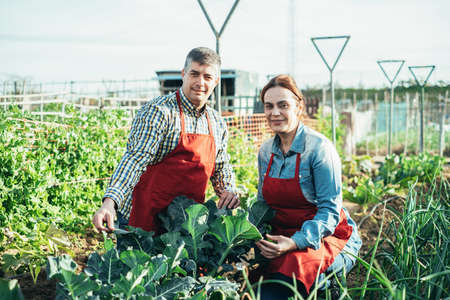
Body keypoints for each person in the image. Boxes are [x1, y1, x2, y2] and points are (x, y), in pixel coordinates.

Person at [93, 47, 239, 235]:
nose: (200, 82)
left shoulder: (217, 123)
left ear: (216, 82)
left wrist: (228, 191)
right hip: (145, 220)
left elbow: (221, 167)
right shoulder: (159, 112)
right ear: (183, 74)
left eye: (207, 77)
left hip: (186, 225)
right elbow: (134, 160)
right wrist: (109, 202)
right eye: (194, 74)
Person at [254, 75, 361, 299]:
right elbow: (262, 205)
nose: (275, 113)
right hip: (282, 237)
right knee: (250, 275)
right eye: (269, 106)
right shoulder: (266, 152)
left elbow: (330, 212)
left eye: (283, 105)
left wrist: (294, 242)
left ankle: (329, 279)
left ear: (299, 107)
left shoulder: (319, 149)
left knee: (282, 284)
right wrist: (250, 236)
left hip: (326, 237)